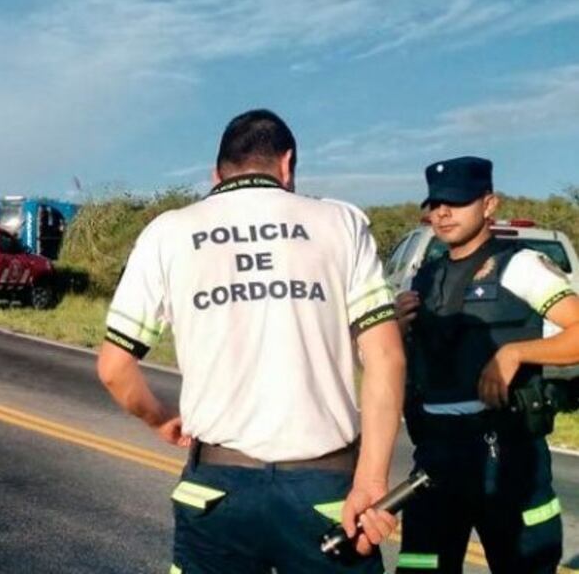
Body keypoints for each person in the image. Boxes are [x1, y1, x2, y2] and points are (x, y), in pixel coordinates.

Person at [96, 109, 406, 573]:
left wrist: (160, 419)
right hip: (325, 486)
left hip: (217, 490)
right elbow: (385, 356)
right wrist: (372, 479)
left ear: (216, 173)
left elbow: (114, 368)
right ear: (287, 164)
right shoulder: (340, 223)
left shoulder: (169, 232)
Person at [395, 156, 579, 573]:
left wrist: (515, 353)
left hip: (507, 456)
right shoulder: (421, 279)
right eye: (436, 203)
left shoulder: (523, 266)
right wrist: (398, 331)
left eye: (457, 202)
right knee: (420, 567)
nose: (442, 212)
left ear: (489, 204)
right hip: (435, 459)